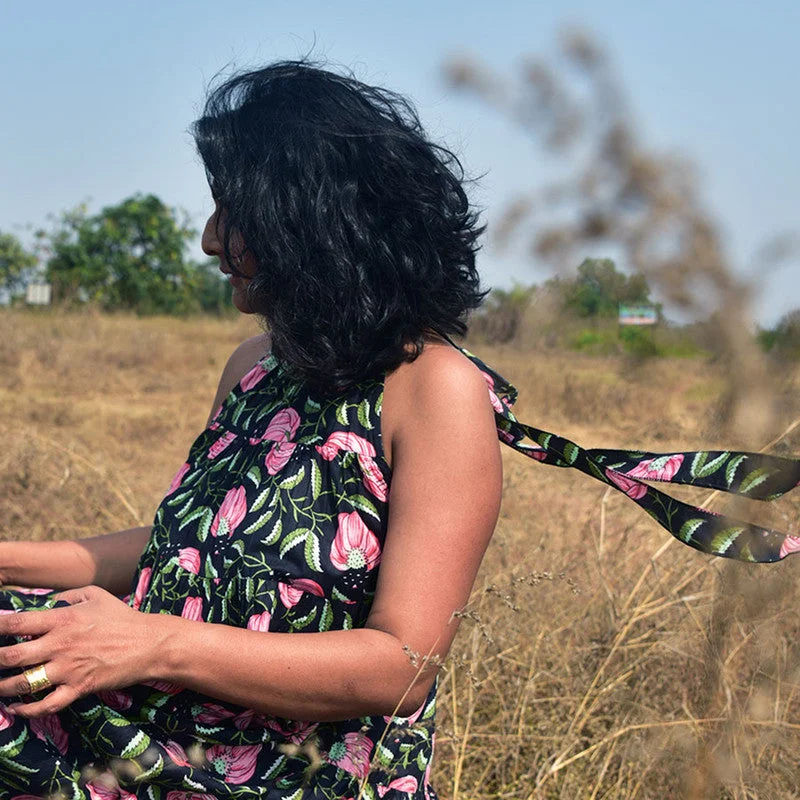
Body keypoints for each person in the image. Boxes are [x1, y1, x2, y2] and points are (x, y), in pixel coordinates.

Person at [2, 59, 800, 800]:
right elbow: (188, 547)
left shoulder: (435, 392)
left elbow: (403, 666)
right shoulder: (256, 365)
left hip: (289, 774)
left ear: (312, 221)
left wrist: (151, 644)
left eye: (234, 212)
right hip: (162, 726)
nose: (212, 239)